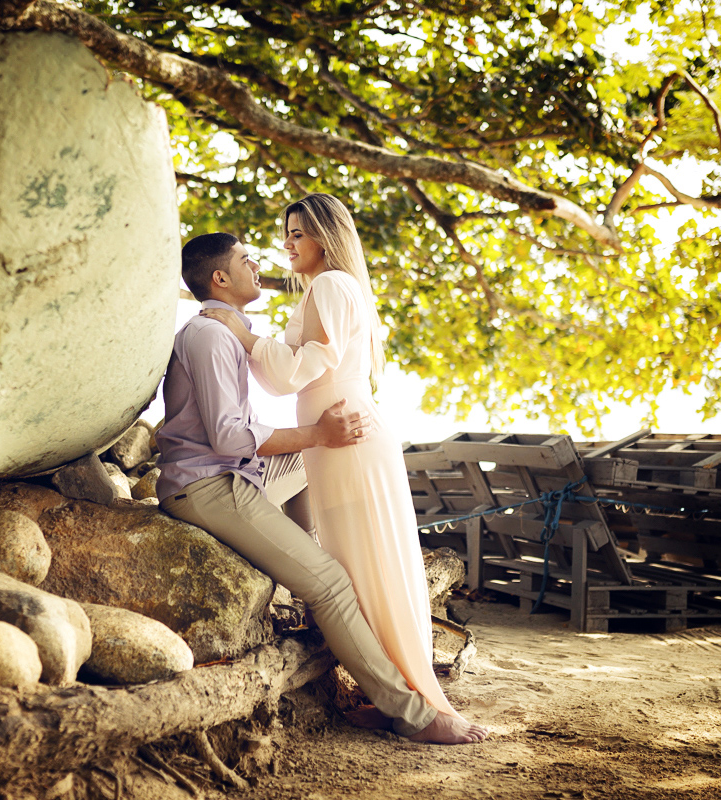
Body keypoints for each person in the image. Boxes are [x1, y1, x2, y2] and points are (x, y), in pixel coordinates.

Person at [158, 231, 487, 745]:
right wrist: (318, 433)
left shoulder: (229, 333)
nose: (259, 263)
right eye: (246, 259)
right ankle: (414, 714)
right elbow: (227, 437)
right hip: (208, 486)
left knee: (309, 464)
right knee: (331, 582)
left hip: (232, 477)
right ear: (220, 278)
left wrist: (316, 446)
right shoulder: (209, 336)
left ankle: (304, 551)